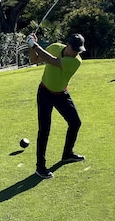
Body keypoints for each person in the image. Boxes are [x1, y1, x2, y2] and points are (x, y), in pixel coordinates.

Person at [27, 32, 86, 179]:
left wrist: (35, 45)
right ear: (68, 45)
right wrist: (31, 47)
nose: (76, 53)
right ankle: (40, 167)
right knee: (44, 129)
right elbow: (34, 60)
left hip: (61, 94)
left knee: (75, 123)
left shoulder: (76, 61)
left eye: (79, 50)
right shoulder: (54, 47)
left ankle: (67, 154)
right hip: (45, 92)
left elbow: (53, 61)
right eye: (75, 49)